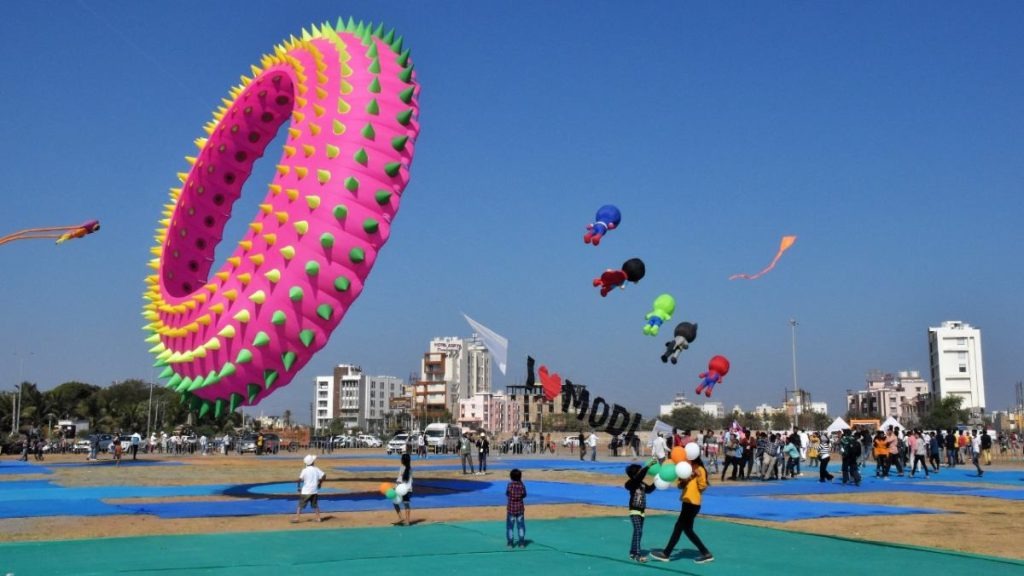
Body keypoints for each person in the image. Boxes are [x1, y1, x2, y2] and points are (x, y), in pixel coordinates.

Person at [651, 455, 713, 564]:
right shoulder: (685, 469)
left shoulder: (700, 469)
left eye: (688, 457)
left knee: (679, 527)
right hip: (686, 502)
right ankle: (706, 553)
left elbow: (702, 487)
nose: (686, 459)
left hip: (693, 503)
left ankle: (666, 553)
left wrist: (697, 476)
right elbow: (679, 486)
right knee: (687, 530)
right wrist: (686, 479)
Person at [625, 463, 656, 563]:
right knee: (638, 531)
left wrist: (657, 481)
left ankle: (632, 552)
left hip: (642, 512)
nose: (641, 473)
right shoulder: (630, 483)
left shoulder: (641, 484)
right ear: (634, 474)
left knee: (637, 532)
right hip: (634, 511)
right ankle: (638, 555)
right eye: (639, 471)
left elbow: (650, 490)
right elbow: (638, 478)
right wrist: (647, 467)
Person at [293, 454, 325, 523]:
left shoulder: (304, 470)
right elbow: (324, 475)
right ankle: (318, 518)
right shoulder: (316, 469)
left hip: (306, 491)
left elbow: (299, 479)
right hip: (314, 490)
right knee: (315, 505)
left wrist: (298, 487)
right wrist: (320, 483)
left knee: (300, 505)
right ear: (312, 462)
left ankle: (297, 518)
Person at [506, 468, 527, 548]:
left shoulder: (510, 485)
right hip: (520, 509)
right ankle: (521, 543)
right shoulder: (522, 485)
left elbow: (507, 493)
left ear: (511, 477)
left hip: (511, 509)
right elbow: (524, 495)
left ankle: (510, 543)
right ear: (520, 477)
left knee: (510, 527)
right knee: (521, 526)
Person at [393, 453, 413, 526]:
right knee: (406, 504)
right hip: (408, 489)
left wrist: (395, 487)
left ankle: (400, 517)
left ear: (402, 460)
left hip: (401, 488)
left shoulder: (402, 467)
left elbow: (400, 479)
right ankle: (407, 521)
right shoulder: (410, 468)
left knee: (395, 502)